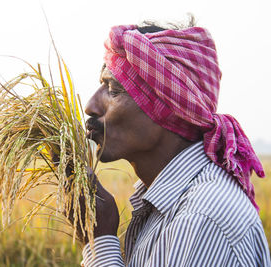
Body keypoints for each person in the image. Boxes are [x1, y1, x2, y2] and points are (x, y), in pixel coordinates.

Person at [79, 22, 271, 266]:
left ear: (167, 109)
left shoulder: (202, 219)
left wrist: (100, 239)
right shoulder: (166, 203)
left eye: (114, 89)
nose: (90, 106)